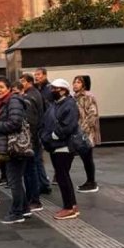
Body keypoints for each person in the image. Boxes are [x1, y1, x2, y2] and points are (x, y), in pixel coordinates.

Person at [0, 76, 30, 224]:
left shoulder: (13, 101)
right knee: (16, 179)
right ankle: (24, 208)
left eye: (1, 87)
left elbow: (15, 123)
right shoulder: (2, 103)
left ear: (9, 89)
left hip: (15, 147)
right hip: (10, 146)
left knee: (14, 181)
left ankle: (17, 212)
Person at [41, 79, 81, 220]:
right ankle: (72, 205)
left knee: (62, 177)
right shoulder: (57, 104)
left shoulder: (69, 105)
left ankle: (69, 207)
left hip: (63, 146)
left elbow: (68, 126)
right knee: (63, 176)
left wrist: (53, 136)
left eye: (55, 89)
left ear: (63, 90)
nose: (52, 91)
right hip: (56, 146)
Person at [18, 73, 46, 211]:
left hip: (32, 138)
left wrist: (29, 138)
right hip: (35, 137)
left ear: (29, 82)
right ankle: (33, 197)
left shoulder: (29, 97)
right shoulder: (35, 94)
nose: (20, 83)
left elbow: (30, 121)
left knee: (31, 169)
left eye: (22, 81)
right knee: (32, 167)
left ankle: (34, 199)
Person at [73, 75, 101, 193]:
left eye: (78, 82)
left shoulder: (88, 97)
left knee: (87, 157)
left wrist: (83, 129)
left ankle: (92, 182)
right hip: (78, 131)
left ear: (83, 85)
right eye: (74, 82)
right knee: (85, 157)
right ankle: (90, 181)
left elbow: (92, 114)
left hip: (86, 132)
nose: (75, 84)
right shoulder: (75, 97)